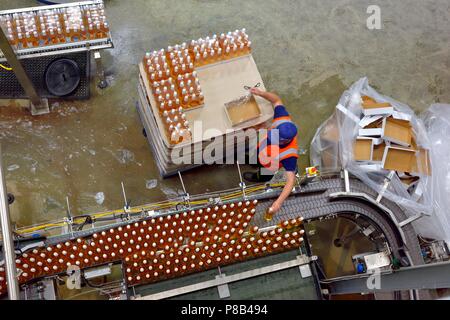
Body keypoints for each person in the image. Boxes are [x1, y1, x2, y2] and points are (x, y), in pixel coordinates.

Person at [243, 88, 299, 214]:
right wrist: (261, 93)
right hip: (261, 151)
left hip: (269, 165)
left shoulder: (289, 155)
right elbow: (276, 100)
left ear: (284, 141)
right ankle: (253, 161)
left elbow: (291, 181)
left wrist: (278, 202)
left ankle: (257, 177)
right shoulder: (282, 119)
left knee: (264, 174)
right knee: (255, 158)